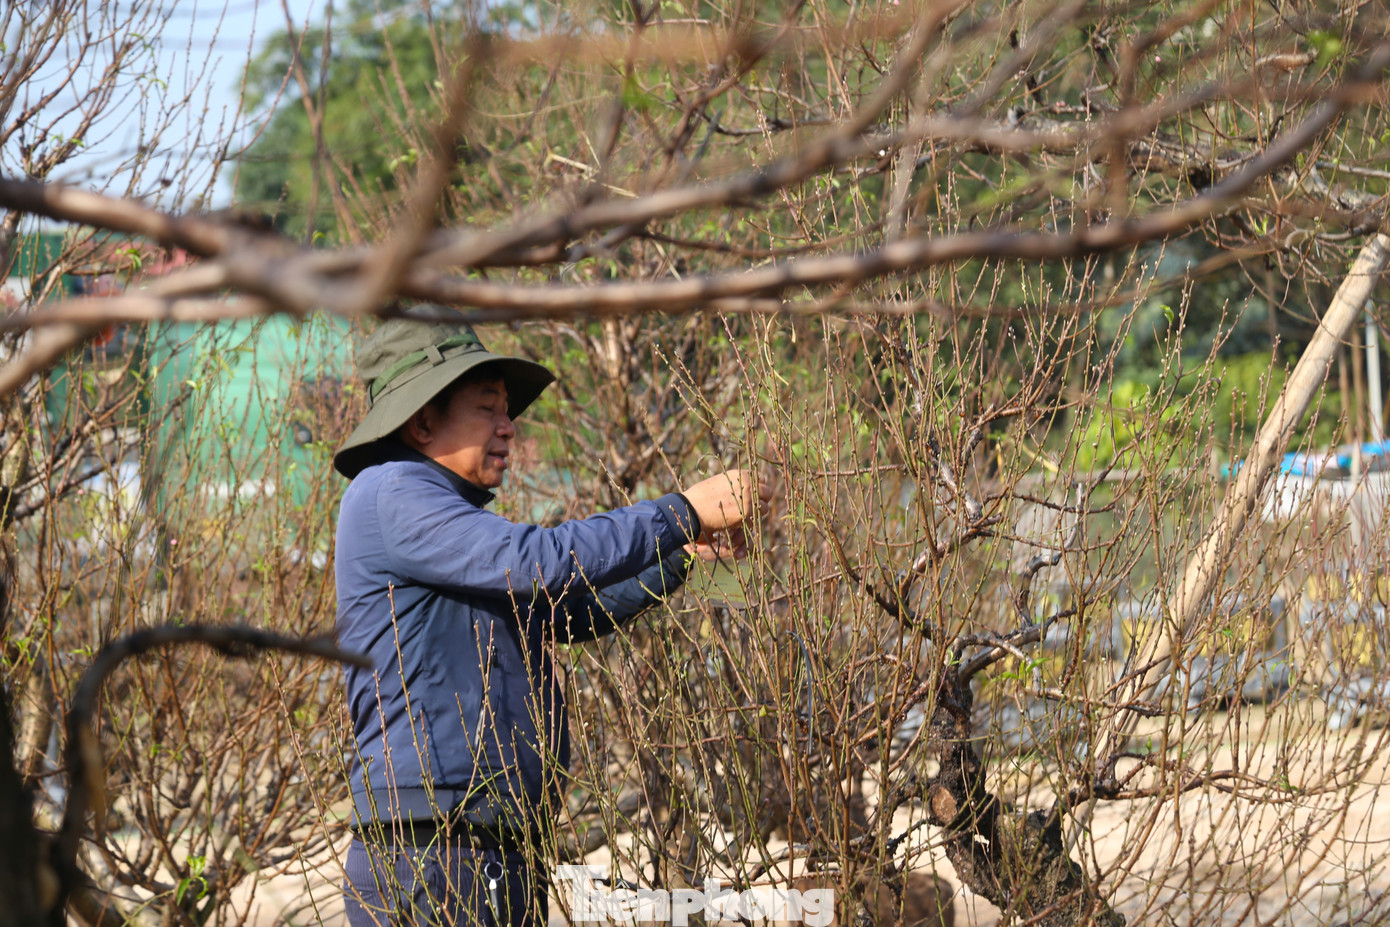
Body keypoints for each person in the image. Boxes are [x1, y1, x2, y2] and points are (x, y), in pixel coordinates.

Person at [332, 308, 761, 927]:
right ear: (423, 420)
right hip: (432, 848)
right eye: (488, 408)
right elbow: (538, 562)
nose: (510, 429)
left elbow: (565, 611)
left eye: (508, 411)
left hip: (483, 841)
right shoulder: (392, 489)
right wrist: (681, 511)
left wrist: (681, 559)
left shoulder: (446, 524)